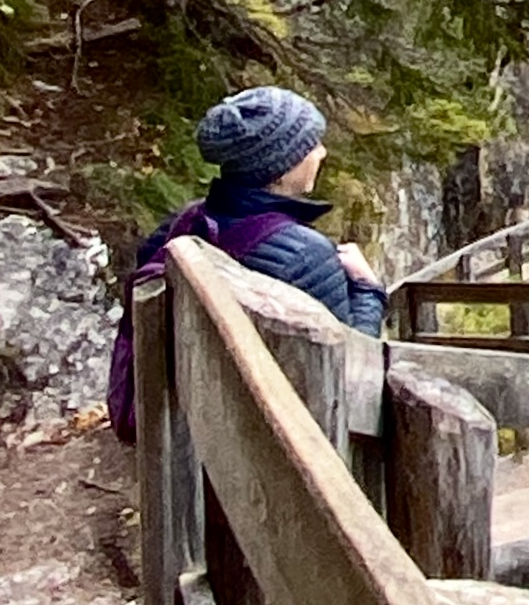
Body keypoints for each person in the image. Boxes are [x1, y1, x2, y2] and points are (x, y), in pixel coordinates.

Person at [107, 86, 387, 439]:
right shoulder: (305, 255)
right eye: (311, 145)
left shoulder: (183, 224)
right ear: (279, 169)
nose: (322, 152)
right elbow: (350, 371)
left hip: (179, 421)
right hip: (263, 437)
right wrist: (367, 288)